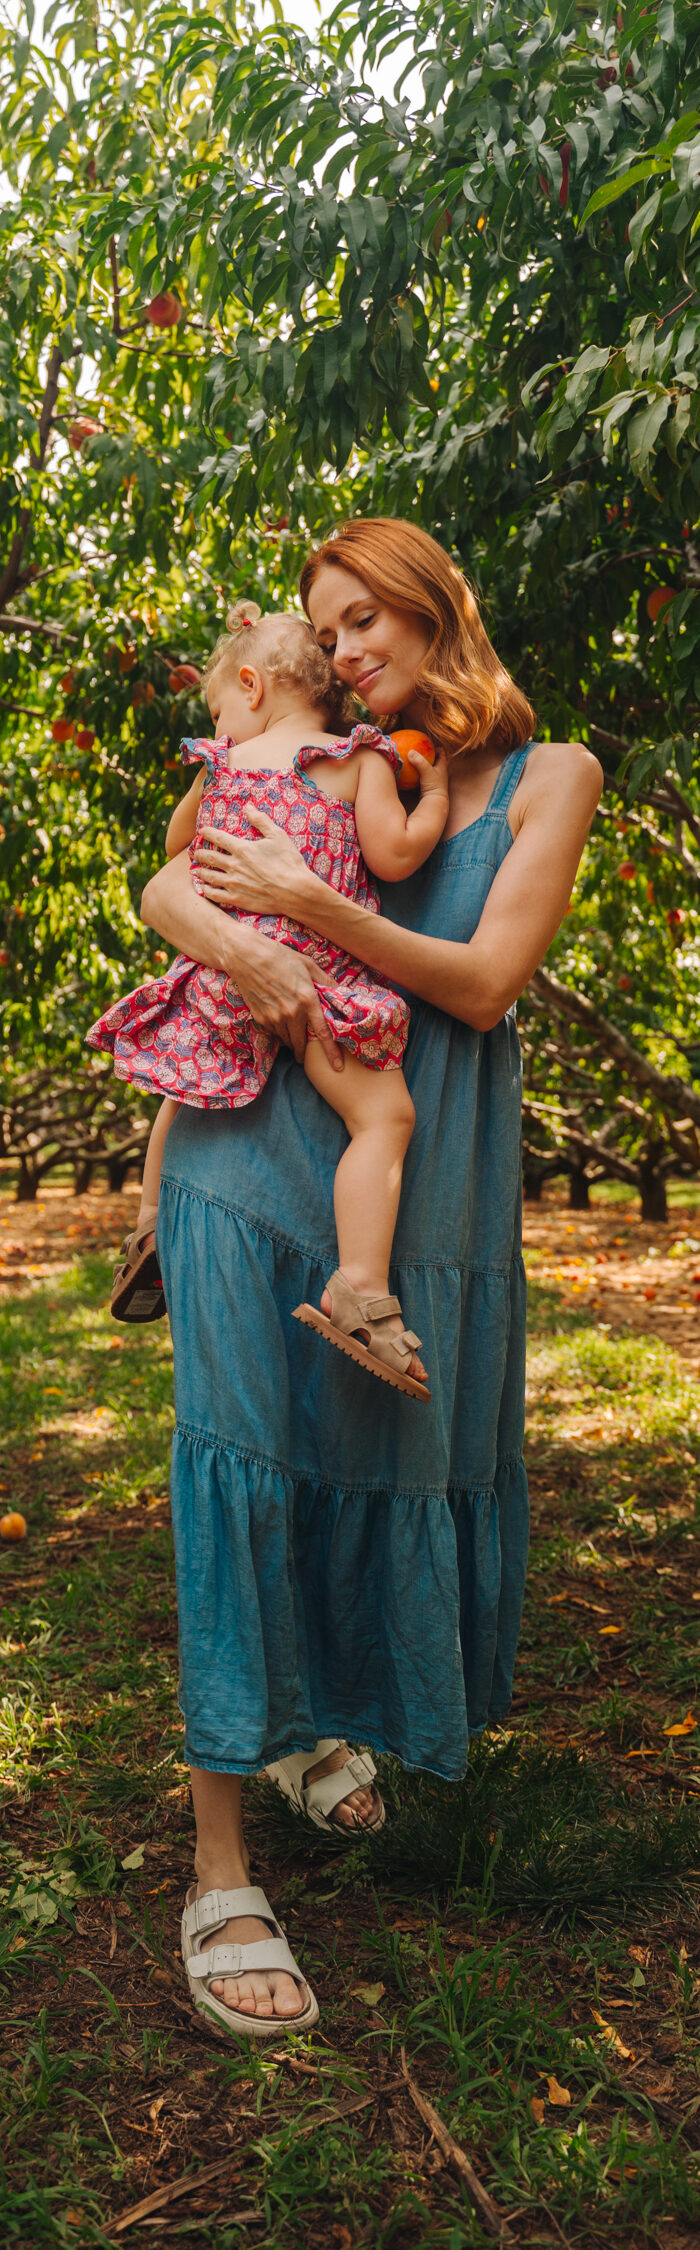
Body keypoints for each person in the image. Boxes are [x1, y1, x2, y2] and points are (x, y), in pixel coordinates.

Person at [139, 517, 602, 2040]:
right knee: (241, 1463)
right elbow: (167, 892)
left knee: (363, 1451)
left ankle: (305, 1727)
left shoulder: (549, 778)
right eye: (324, 630)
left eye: (363, 620)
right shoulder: (306, 755)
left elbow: (484, 981)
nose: (341, 651)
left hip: (420, 1176)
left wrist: (312, 910)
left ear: (431, 608)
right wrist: (252, 951)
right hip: (250, 1151)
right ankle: (219, 1874)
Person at [88, 601, 448, 1396]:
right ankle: (361, 1290)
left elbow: (179, 848)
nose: (219, 729)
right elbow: (394, 857)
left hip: (222, 981)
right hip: (317, 985)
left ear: (251, 687)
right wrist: (434, 799)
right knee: (384, 1119)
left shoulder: (222, 765)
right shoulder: (359, 758)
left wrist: (217, 771)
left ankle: (148, 1227)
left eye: (219, 712)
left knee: (183, 1094)